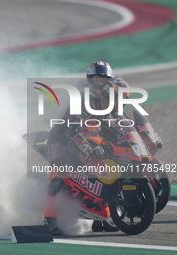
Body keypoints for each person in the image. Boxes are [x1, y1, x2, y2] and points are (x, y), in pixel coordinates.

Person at [44, 61, 129, 235]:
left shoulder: (106, 100)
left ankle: (100, 220)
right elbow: (74, 131)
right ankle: (49, 221)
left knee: (103, 172)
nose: (100, 83)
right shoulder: (81, 98)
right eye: (96, 79)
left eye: (103, 79)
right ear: (89, 79)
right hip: (60, 138)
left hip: (85, 138)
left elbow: (113, 124)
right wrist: (87, 147)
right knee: (58, 177)